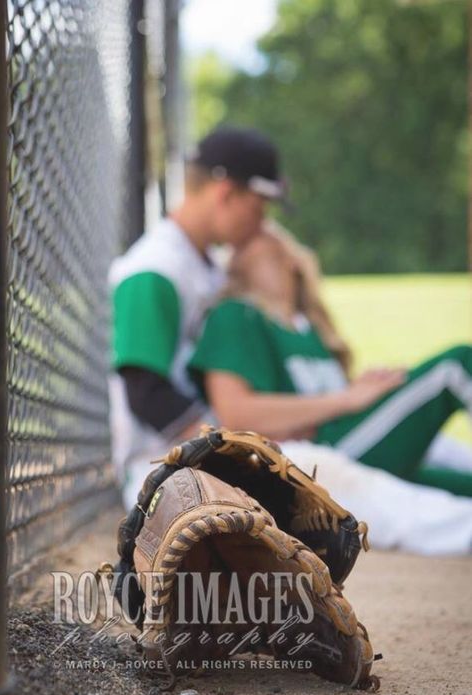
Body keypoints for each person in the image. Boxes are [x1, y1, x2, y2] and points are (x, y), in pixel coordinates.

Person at [187, 225, 472, 554]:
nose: (238, 252)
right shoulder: (237, 313)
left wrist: (364, 394)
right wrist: (345, 400)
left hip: (351, 442)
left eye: (258, 245)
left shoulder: (309, 327)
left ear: (290, 259)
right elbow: (235, 414)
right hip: (322, 453)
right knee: (454, 367)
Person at [108, 126, 287, 510]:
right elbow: (145, 392)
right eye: (258, 207)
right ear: (226, 193)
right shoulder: (154, 268)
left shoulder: (204, 265)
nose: (261, 223)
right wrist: (230, 452)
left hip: (205, 453)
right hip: (163, 469)